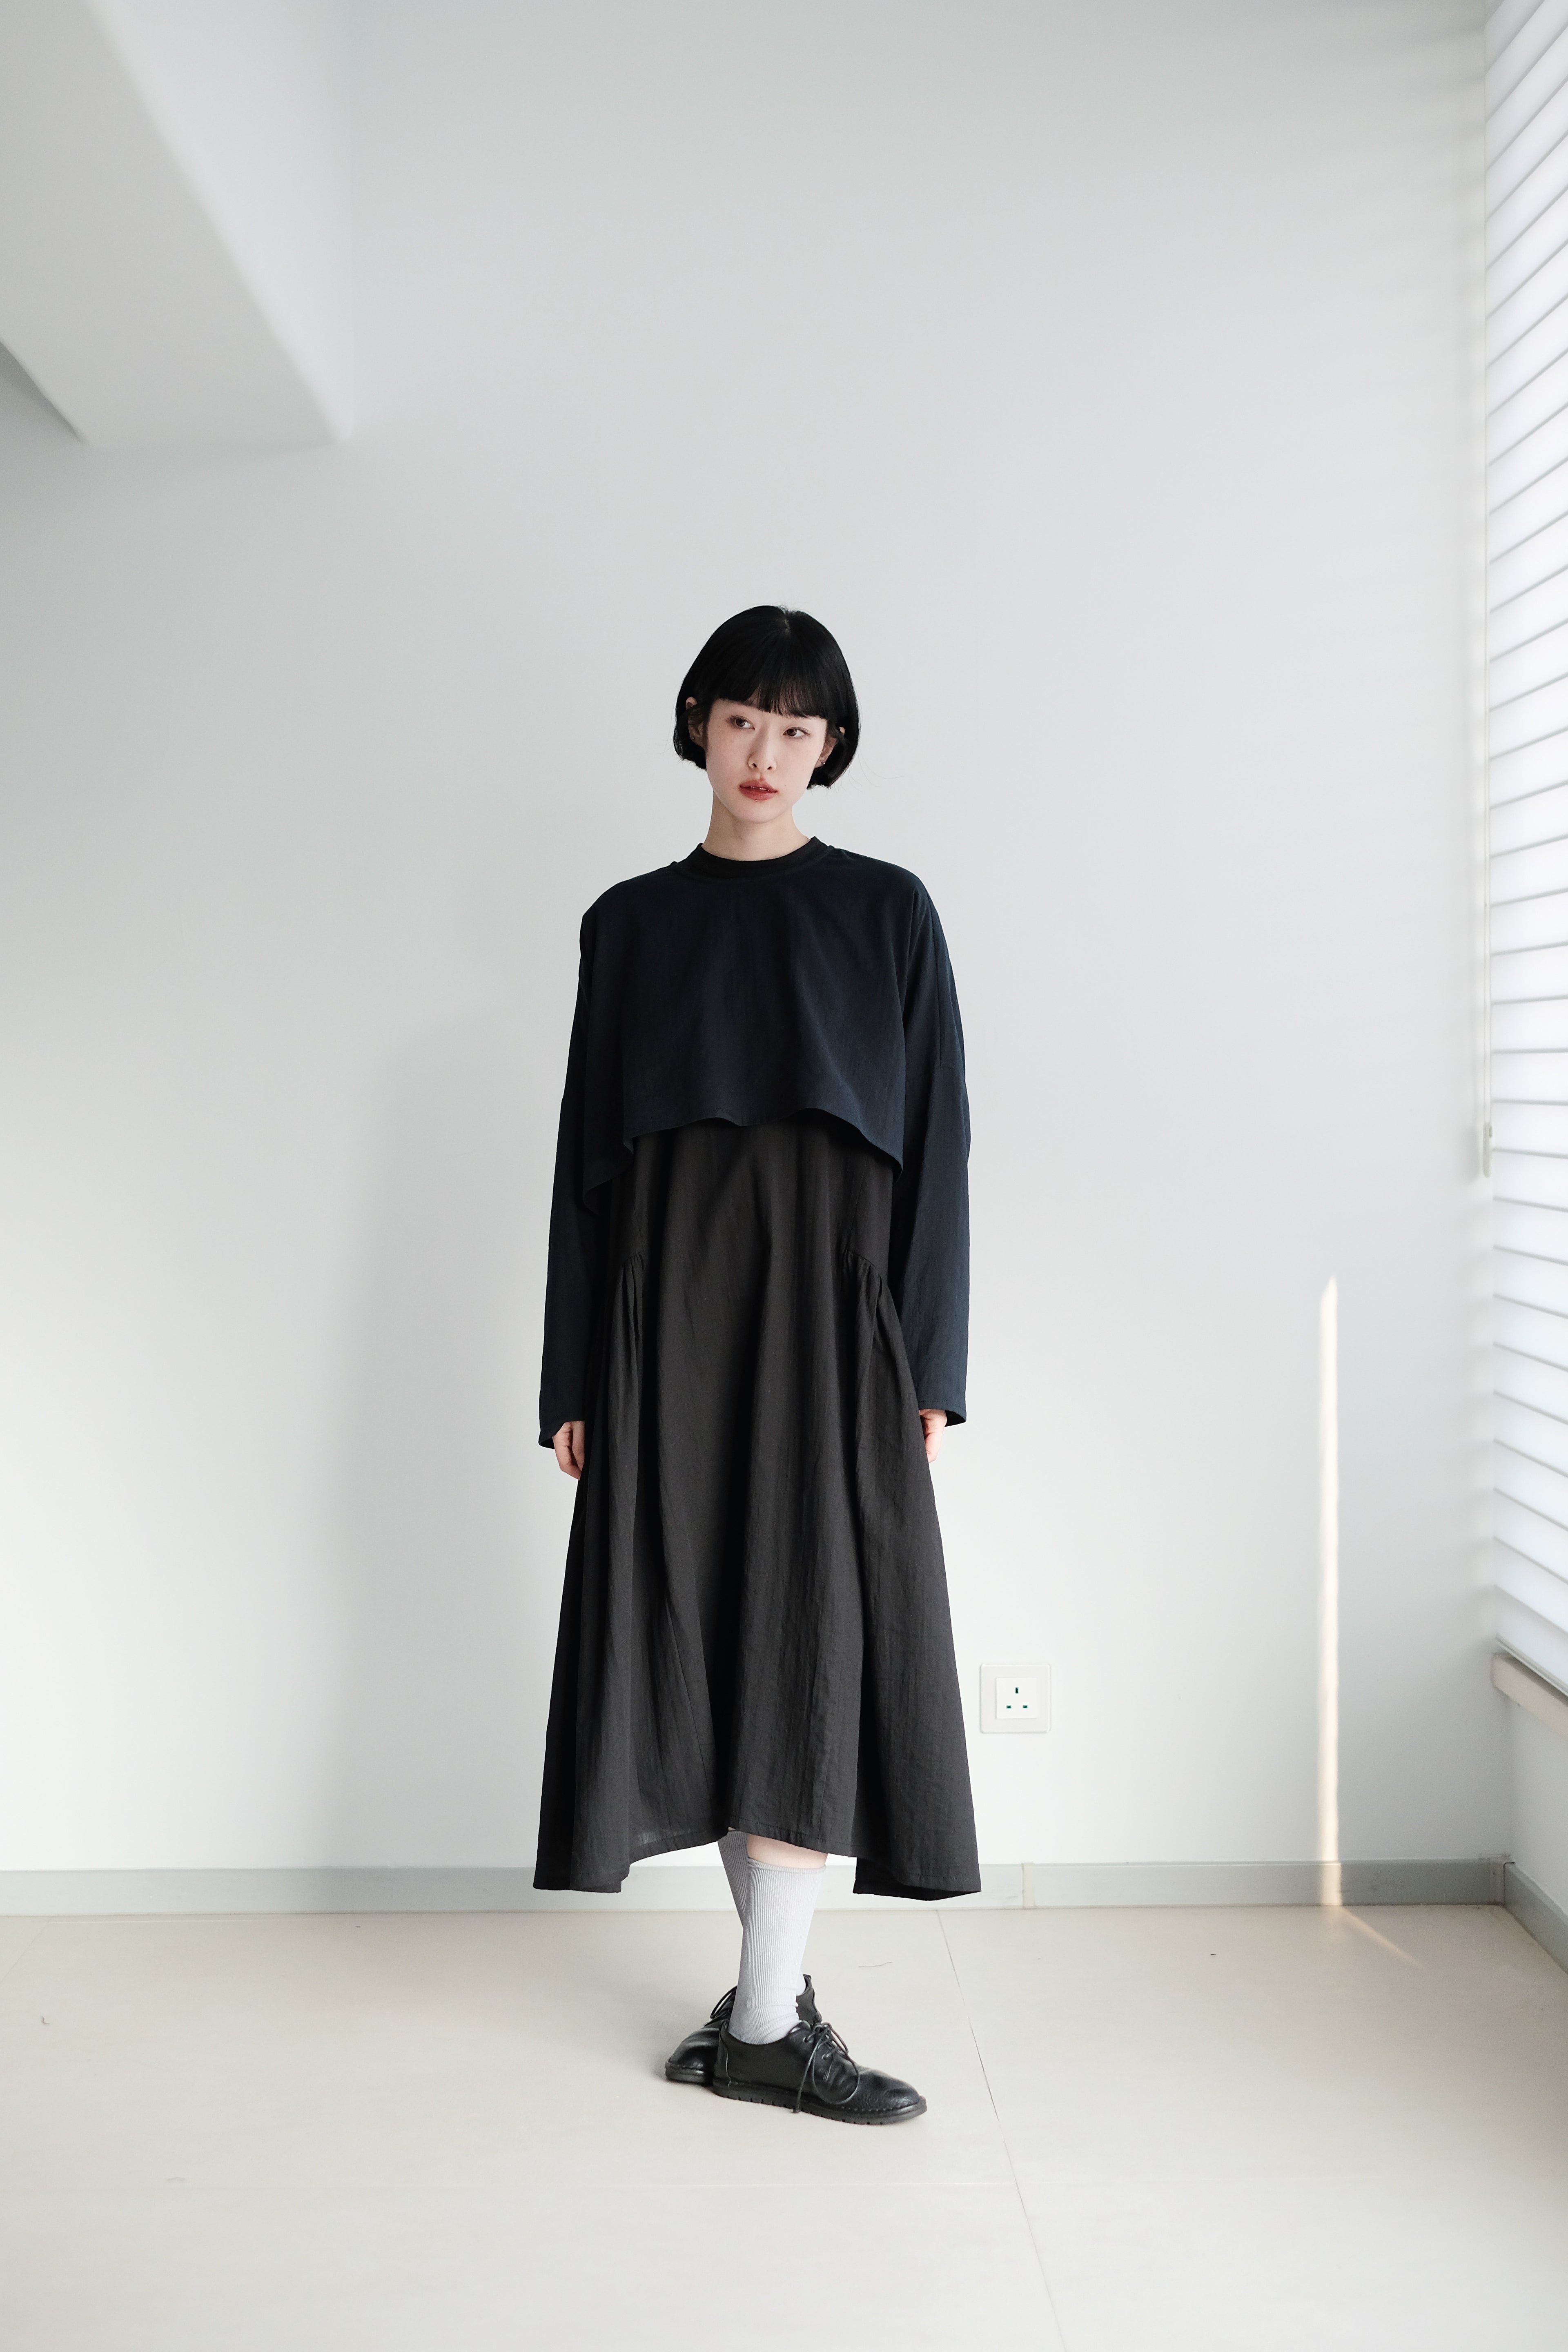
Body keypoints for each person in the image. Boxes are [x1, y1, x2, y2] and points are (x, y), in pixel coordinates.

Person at [534, 605, 978, 2124]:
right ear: (697, 727)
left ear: (830, 746)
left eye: (797, 728)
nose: (766, 753)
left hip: (831, 1325)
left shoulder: (888, 912)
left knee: (811, 1635)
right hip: (667, 1322)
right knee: (715, 1646)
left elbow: (941, 1146)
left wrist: (931, 1360)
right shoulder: (630, 925)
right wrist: (572, 1376)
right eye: (742, 720)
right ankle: (768, 2018)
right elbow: (585, 1166)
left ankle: (765, 2017)